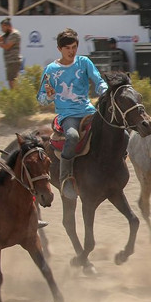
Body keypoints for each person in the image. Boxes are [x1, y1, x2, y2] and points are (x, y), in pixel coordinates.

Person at [38, 28, 108, 200]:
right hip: (67, 115)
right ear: (59, 49)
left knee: (114, 128)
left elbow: (98, 81)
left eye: (74, 47)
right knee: (72, 136)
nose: (71, 51)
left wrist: (106, 91)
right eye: (67, 48)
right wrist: (49, 96)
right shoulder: (51, 70)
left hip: (88, 110)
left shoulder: (84, 62)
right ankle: (65, 178)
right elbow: (41, 99)